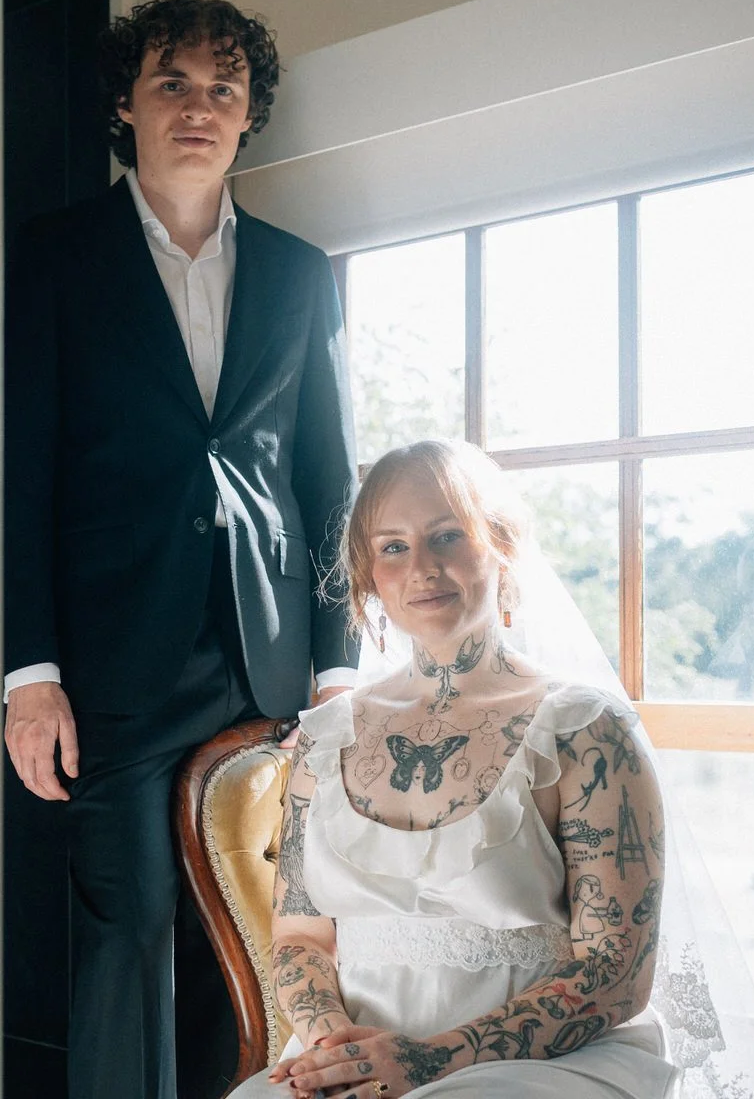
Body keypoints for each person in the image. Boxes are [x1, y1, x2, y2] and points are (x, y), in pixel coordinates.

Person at [4, 0, 359, 1099]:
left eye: (224, 89)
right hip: (112, 669)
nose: (199, 108)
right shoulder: (48, 258)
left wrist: (339, 661)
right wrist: (29, 674)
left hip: (265, 666)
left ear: (248, 114)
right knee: (130, 926)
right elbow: (17, 476)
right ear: (126, 102)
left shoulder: (302, 273)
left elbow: (324, 476)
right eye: (172, 84)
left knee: (241, 936)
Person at [231, 439, 681, 1099]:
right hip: (351, 1060)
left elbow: (617, 968)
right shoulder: (327, 740)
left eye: (447, 536)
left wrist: (428, 1061)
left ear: (500, 546)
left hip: (541, 1066)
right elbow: (300, 936)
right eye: (392, 546)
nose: (421, 568)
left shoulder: (586, 731)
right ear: (368, 574)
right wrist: (339, 1056)